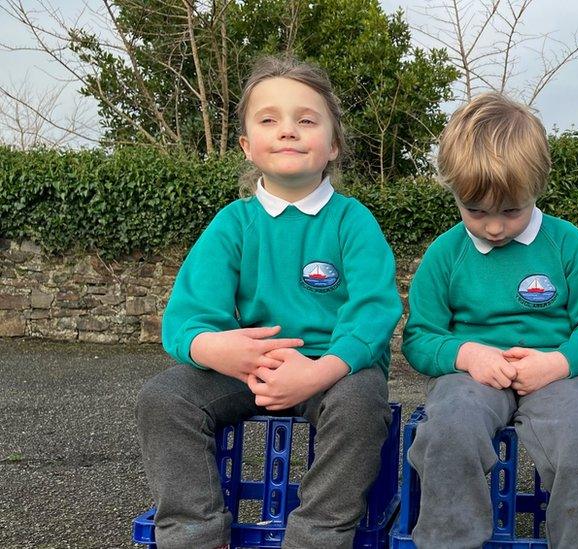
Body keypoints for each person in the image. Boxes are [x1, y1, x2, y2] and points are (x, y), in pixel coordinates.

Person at [135, 55, 402, 549]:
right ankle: (193, 534)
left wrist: (322, 370)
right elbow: (186, 316)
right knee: (164, 398)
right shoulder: (234, 223)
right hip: (248, 369)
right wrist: (216, 350)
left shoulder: (352, 221)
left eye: (306, 120)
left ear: (333, 144)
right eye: (269, 120)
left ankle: (317, 534)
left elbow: (375, 309)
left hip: (333, 371)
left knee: (363, 404)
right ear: (247, 146)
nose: (288, 131)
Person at [401, 92, 578, 548]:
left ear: (536, 187)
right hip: (472, 378)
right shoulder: (446, 253)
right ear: (453, 192)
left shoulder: (566, 243)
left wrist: (558, 362)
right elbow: (420, 337)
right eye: (475, 211)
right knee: (448, 430)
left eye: (510, 211)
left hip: (558, 376)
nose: (493, 227)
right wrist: (466, 354)